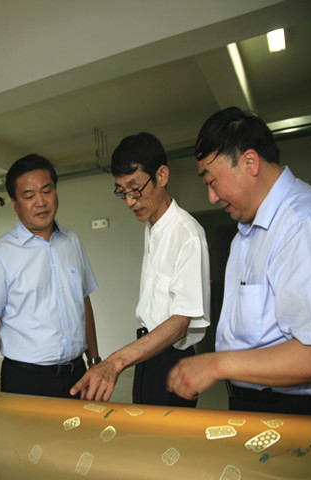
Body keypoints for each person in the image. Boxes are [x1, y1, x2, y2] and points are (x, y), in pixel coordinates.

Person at [167, 106, 311, 417]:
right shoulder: (247, 232)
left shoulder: (304, 223)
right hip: (254, 405)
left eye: (211, 182)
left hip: (299, 413)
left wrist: (215, 365)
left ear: (250, 162)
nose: (212, 197)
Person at [70, 132, 210, 405]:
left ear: (162, 176)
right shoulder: (153, 227)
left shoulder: (187, 234)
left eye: (135, 189)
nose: (130, 201)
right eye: (122, 192)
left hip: (172, 361)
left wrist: (114, 363)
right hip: (148, 355)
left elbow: (180, 324)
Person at [0, 154, 100, 398]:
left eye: (46, 191)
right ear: (14, 203)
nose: (40, 202)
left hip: (77, 374)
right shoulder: (0, 254)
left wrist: (94, 360)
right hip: (26, 379)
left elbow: (83, 302)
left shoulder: (72, 241)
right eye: (29, 196)